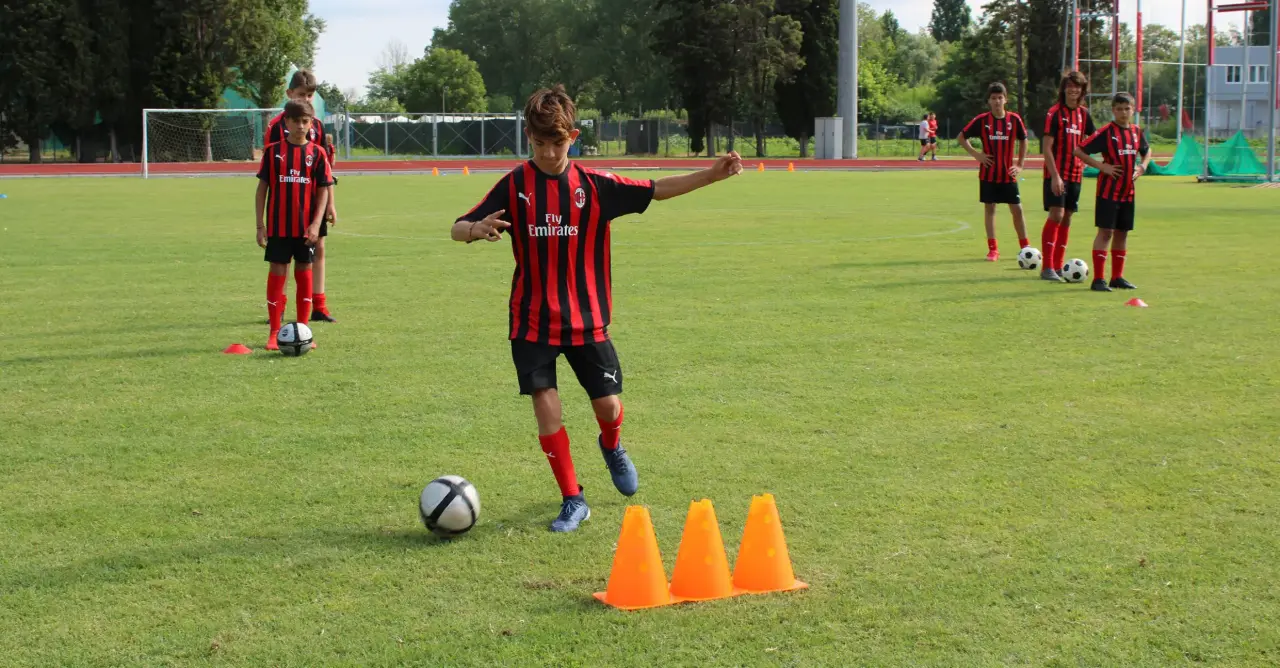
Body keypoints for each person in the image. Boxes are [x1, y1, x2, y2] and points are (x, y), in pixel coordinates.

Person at [450, 85, 743, 532]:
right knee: (546, 406)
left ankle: (612, 445)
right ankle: (573, 498)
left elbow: (657, 189)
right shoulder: (515, 185)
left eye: (558, 143)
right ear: (528, 137)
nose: (548, 153)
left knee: (607, 406)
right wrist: (476, 229)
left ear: (575, 136)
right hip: (531, 322)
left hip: (587, 322)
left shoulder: (595, 186)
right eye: (540, 143)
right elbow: (456, 228)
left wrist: (711, 174)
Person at [255, 100, 334, 350]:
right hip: (279, 227)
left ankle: (303, 329)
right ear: (286, 122)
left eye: (305, 121)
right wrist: (260, 225)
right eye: (295, 121)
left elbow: (323, 191)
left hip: (305, 230)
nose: (300, 126)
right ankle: (274, 332)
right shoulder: (273, 152)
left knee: (304, 275)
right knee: (277, 274)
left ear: (311, 124)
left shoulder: (317, 154)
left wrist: (315, 224)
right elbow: (262, 190)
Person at [265, 69, 340, 323]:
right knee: (283, 258)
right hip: (287, 204)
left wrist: (331, 202)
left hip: (313, 202)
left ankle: (318, 305)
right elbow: (272, 168)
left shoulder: (315, 124)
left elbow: (325, 170)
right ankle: (280, 307)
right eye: (301, 95)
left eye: (310, 95)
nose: (306, 100)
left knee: (318, 247)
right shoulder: (278, 126)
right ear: (289, 94)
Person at [1073, 92, 1151, 292]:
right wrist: (1102, 166)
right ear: (1113, 111)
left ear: (1133, 110)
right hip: (1108, 191)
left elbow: (1147, 150)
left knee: (1122, 233)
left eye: (1127, 109)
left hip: (1128, 192)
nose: (1123, 113)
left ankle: (1117, 277)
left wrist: (1142, 166)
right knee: (1106, 232)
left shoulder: (1136, 131)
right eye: (1119, 109)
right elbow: (1079, 150)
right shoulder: (1107, 132)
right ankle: (1098, 279)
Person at [959, 82, 1030, 262]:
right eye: (993, 98)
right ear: (988, 101)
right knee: (990, 209)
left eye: (1000, 98)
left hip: (1008, 175)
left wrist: (1020, 164)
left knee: (1017, 210)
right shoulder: (982, 121)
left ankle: (1026, 247)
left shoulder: (1014, 120)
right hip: (988, 174)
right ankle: (993, 249)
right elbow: (962, 137)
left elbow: (1024, 140)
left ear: (1006, 100)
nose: (997, 101)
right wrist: (977, 155)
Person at [1040, 71, 1096, 281]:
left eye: (1078, 86)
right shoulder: (1054, 113)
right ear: (1064, 88)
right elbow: (1046, 148)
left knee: (1067, 217)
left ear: (1082, 90)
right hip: (1056, 173)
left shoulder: (1083, 114)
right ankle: (1047, 267)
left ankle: (1057, 265)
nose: (1074, 90)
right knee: (1057, 214)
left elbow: (1095, 138)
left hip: (1076, 174)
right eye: (1070, 86)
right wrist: (1055, 176)